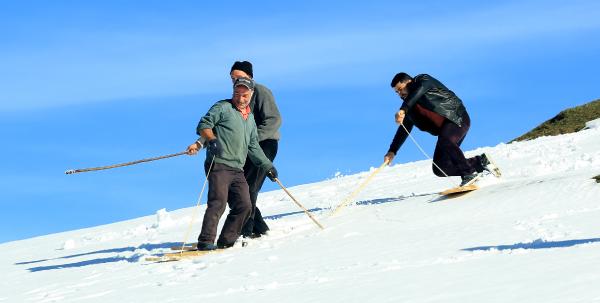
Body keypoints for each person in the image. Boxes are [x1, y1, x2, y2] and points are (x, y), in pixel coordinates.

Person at [186, 77, 278, 250]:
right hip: (219, 164)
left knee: (245, 206)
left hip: (237, 169)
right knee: (218, 202)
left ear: (250, 95)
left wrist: (267, 166)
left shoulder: (250, 119)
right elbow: (204, 124)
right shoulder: (223, 107)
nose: (240, 98)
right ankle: (205, 241)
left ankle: (226, 241)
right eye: (237, 93)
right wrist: (211, 139)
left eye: (244, 95)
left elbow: (253, 146)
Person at [384, 72, 500, 187]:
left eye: (400, 89)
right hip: (446, 131)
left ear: (409, 82)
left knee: (445, 141)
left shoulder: (423, 80)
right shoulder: (410, 108)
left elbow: (419, 89)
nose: (400, 94)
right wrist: (392, 151)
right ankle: (481, 162)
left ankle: (469, 174)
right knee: (440, 168)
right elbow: (404, 130)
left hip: (457, 118)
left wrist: (403, 109)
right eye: (397, 92)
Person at [229, 61, 282, 238]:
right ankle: (260, 228)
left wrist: (251, 139)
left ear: (249, 77)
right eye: (232, 78)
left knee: (250, 186)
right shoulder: (237, 98)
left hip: (265, 143)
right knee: (236, 189)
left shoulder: (261, 92)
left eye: (239, 77)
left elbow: (274, 120)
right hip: (245, 149)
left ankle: (246, 230)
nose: (235, 80)